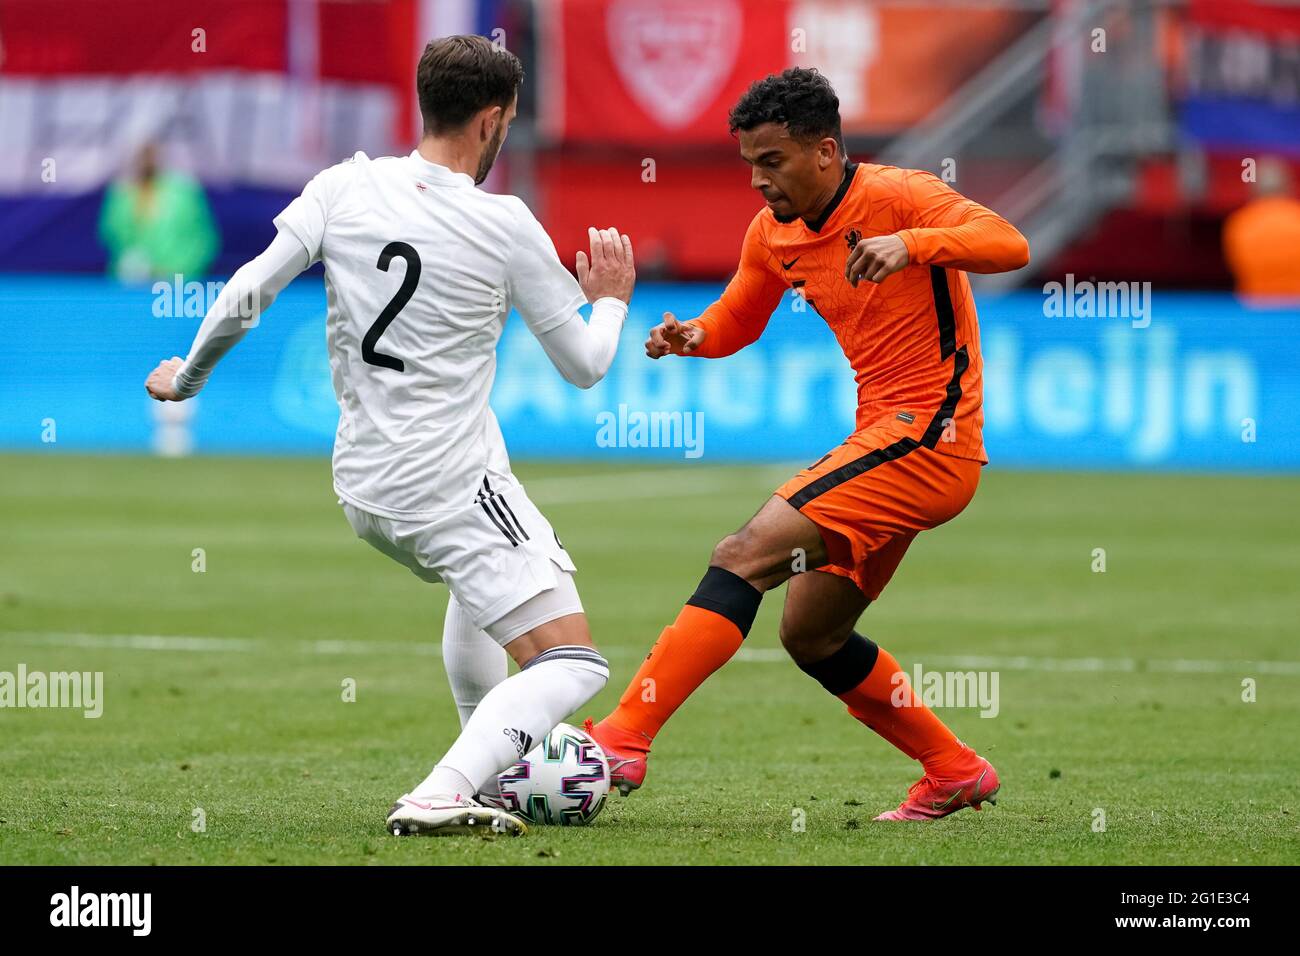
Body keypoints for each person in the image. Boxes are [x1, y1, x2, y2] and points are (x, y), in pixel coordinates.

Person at [144, 35, 635, 837]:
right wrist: (610, 298)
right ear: (489, 121)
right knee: (573, 661)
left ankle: (494, 767)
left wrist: (186, 379)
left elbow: (247, 290)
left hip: (365, 484)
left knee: (478, 592)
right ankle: (442, 791)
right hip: (446, 484)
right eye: (508, 119)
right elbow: (584, 365)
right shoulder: (506, 223)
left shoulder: (345, 186)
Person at [586, 67, 1029, 822]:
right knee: (812, 633)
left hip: (930, 436)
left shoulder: (901, 197)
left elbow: (1009, 243)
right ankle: (954, 769)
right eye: (750, 164)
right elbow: (739, 317)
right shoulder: (773, 233)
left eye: (773, 161)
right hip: (887, 443)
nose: (758, 181)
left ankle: (623, 737)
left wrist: (913, 246)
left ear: (824, 151)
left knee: (741, 555)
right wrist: (691, 337)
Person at [99, 142, 218, 283]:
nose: (146, 161)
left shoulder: (183, 194)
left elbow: (204, 240)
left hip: (178, 282)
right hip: (130, 283)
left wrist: (180, 270)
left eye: (150, 155)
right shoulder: (122, 195)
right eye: (142, 155)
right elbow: (111, 236)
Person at [1223, 156, 1300, 298]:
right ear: (1290, 186)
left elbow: (1236, 267)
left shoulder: (1240, 224)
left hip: (1255, 309)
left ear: (1253, 190)